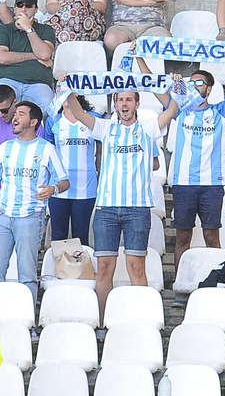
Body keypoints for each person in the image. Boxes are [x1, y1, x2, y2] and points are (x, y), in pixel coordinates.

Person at [61, 89, 164, 320]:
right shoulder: (105, 128)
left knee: (137, 268)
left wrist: (168, 86)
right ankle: (102, 321)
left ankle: (141, 320)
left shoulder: (147, 128)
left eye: (129, 99)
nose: (124, 104)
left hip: (137, 209)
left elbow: (173, 109)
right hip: (106, 209)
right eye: (119, 100)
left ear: (137, 103)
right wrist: (67, 87)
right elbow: (76, 111)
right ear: (114, 104)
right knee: (105, 268)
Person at [158, 61, 225, 265]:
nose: (195, 86)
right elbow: (155, 89)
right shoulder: (180, 109)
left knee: (211, 236)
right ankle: (180, 282)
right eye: (192, 82)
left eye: (199, 82)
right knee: (183, 238)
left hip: (212, 184)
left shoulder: (221, 111)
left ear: (209, 89)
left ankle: (216, 280)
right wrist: (139, 59)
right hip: (184, 183)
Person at [0, 101, 68, 303]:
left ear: (33, 122)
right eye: (15, 114)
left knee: (27, 276)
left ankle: (27, 324)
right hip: (1, 216)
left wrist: (53, 189)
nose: (14, 117)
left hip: (30, 217)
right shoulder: (5, 148)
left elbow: (64, 181)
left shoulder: (47, 149)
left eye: (21, 114)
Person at [0, 0, 58, 114]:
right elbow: (2, 58)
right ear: (15, 9)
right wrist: (34, 56)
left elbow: (44, 54)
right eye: (20, 5)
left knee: (48, 107)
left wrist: (28, 29)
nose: (24, 9)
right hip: (7, 81)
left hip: (37, 84)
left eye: (28, 5)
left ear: (36, 9)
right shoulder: (3, 30)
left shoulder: (45, 30)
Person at [46, 94, 97, 246]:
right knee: (59, 237)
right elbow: (49, 151)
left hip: (86, 187)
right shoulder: (53, 119)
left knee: (81, 237)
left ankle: (82, 270)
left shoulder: (93, 118)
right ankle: (58, 270)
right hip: (58, 187)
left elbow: (100, 152)